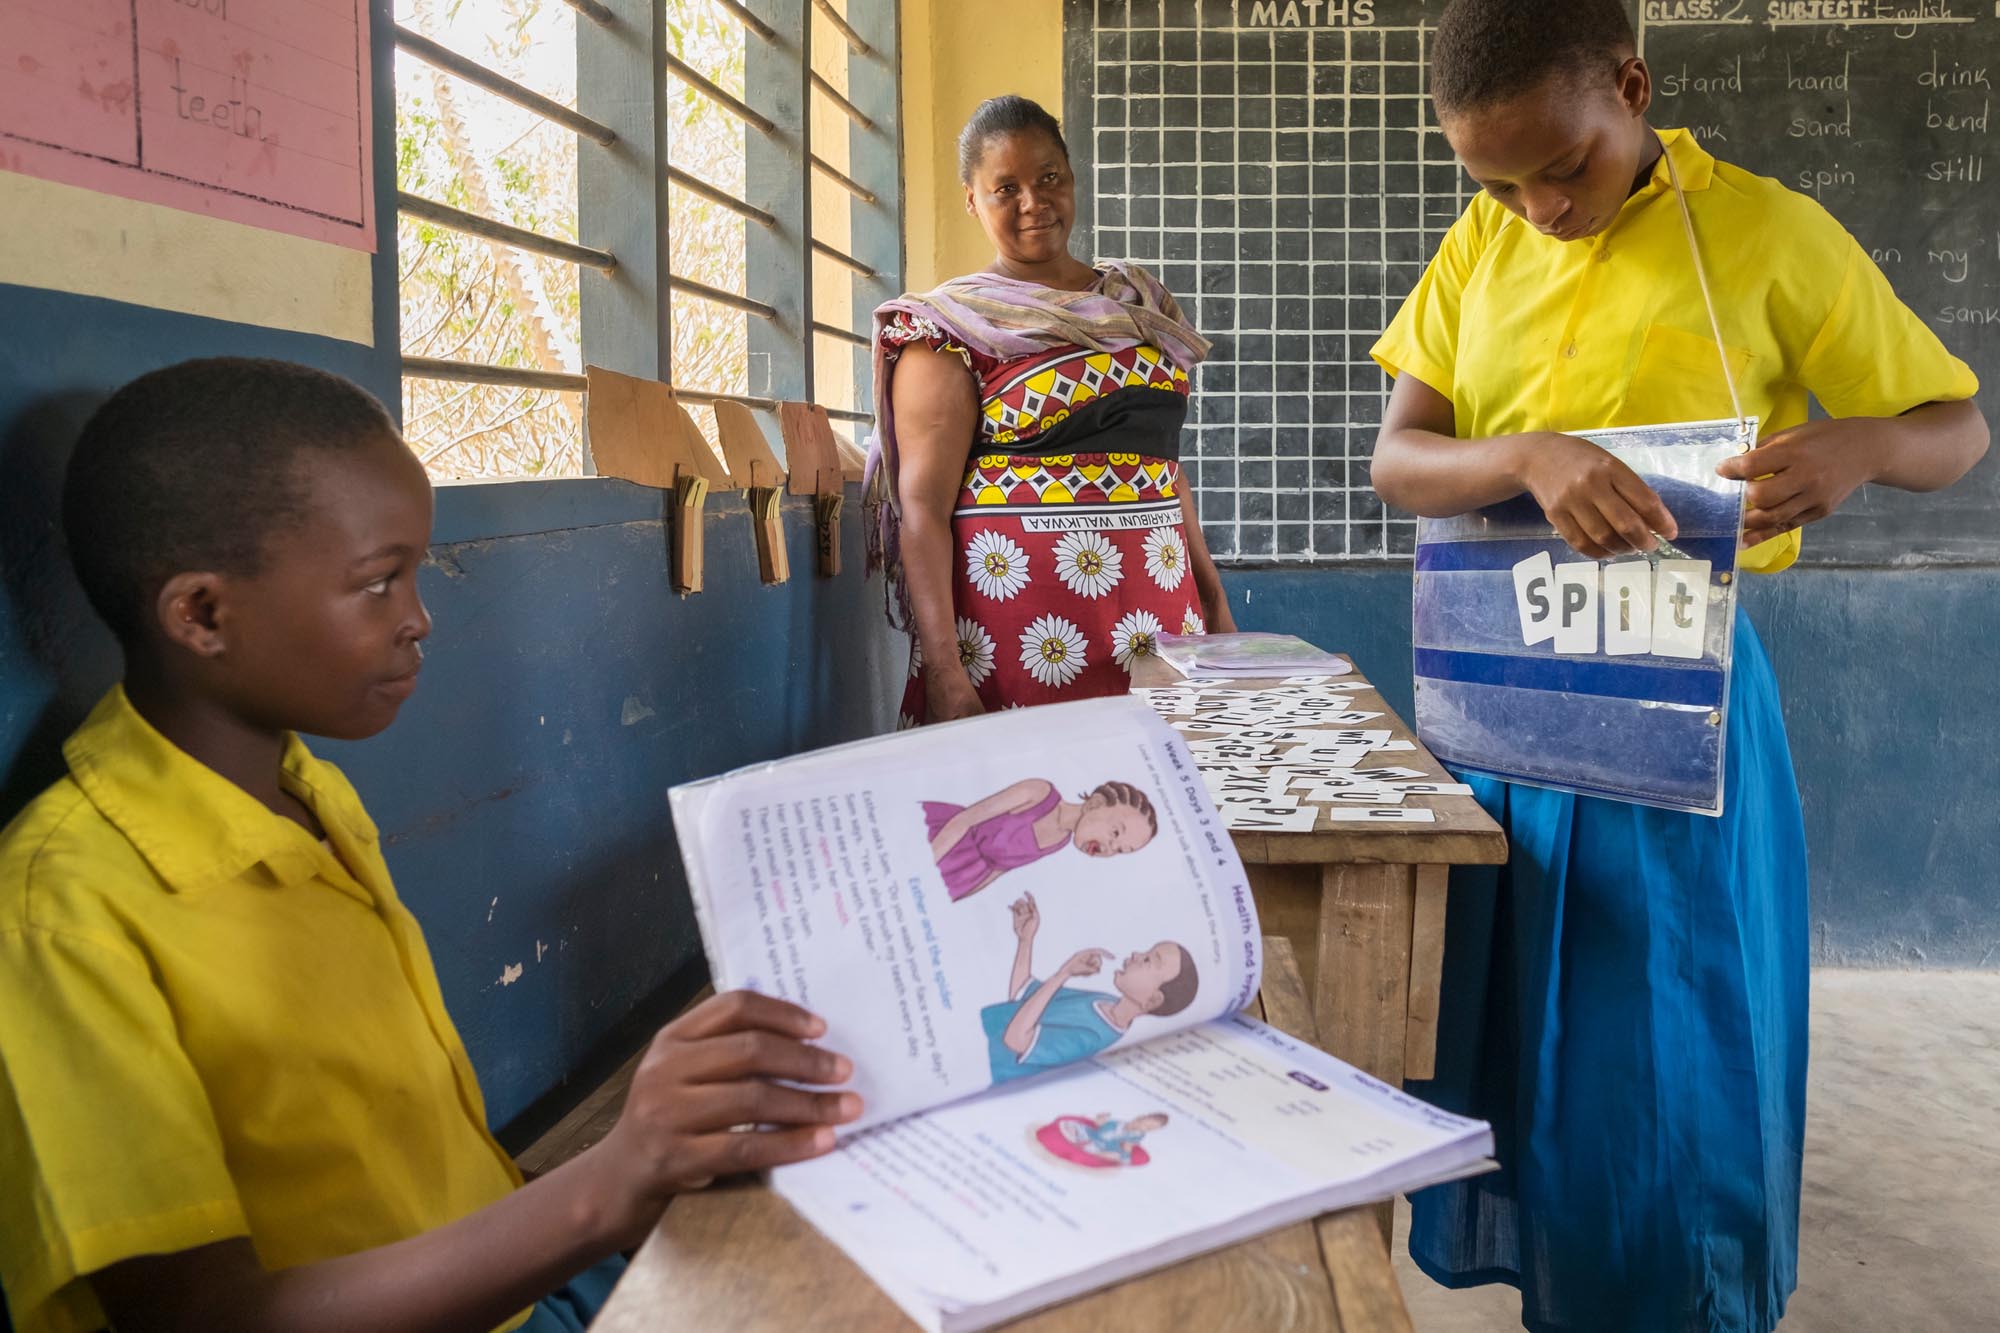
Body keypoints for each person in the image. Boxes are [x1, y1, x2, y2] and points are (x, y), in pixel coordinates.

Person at [0, 359, 863, 1333]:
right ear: (201, 614)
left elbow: (426, 1175)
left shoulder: (300, 792)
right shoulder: (64, 914)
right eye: (378, 583)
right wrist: (607, 1186)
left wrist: (649, 1169)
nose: (418, 619)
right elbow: (205, 1318)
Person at [1368, 4, 1989, 1332]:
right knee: (1516, 1042)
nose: (1538, 206)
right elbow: (1400, 459)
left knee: (1666, 1057)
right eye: (1498, 180)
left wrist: (1860, 448)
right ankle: (1554, 1281)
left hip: (1676, 719)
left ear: (1632, 89)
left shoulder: (1768, 236)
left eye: (1564, 166)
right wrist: (1526, 452)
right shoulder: (1482, 244)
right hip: (1505, 711)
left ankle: (1678, 1300)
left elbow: (1958, 426)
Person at [864, 94, 1236, 727]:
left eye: (1048, 179)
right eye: (1005, 188)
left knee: (1152, 811)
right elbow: (921, 509)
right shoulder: (951, 328)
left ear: (1071, 177)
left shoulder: (1138, 304)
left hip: (1160, 626)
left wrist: (1216, 607)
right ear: (972, 200)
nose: (1033, 203)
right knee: (1031, 810)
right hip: (1021, 645)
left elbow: (1165, 471)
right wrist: (947, 674)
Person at [979, 892, 1196, 1084]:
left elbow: (1015, 1039)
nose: (1136, 955)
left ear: (1152, 1000)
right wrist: (1026, 940)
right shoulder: (1104, 1001)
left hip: (976, 1062)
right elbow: (1022, 996)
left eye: (1148, 960)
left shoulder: (1094, 1036)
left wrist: (1064, 974)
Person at [924, 777, 1158, 901]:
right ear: (1096, 804)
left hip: (960, 877)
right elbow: (965, 820)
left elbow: (995, 871)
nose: (1109, 848)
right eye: (1115, 833)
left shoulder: (1061, 842)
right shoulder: (1040, 792)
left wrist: (954, 897)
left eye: (1119, 850)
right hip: (941, 842)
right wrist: (926, 863)